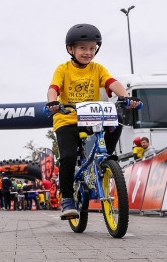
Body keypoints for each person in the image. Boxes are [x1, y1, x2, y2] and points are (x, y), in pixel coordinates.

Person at [46, 23, 141, 220]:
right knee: (68, 157)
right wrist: (53, 102)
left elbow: (111, 83)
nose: (88, 52)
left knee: (116, 122)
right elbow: (53, 88)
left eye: (92, 48)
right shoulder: (63, 69)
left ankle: (106, 159)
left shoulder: (97, 69)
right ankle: (67, 200)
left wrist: (126, 97)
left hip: (91, 115)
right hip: (67, 118)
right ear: (70, 49)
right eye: (82, 48)